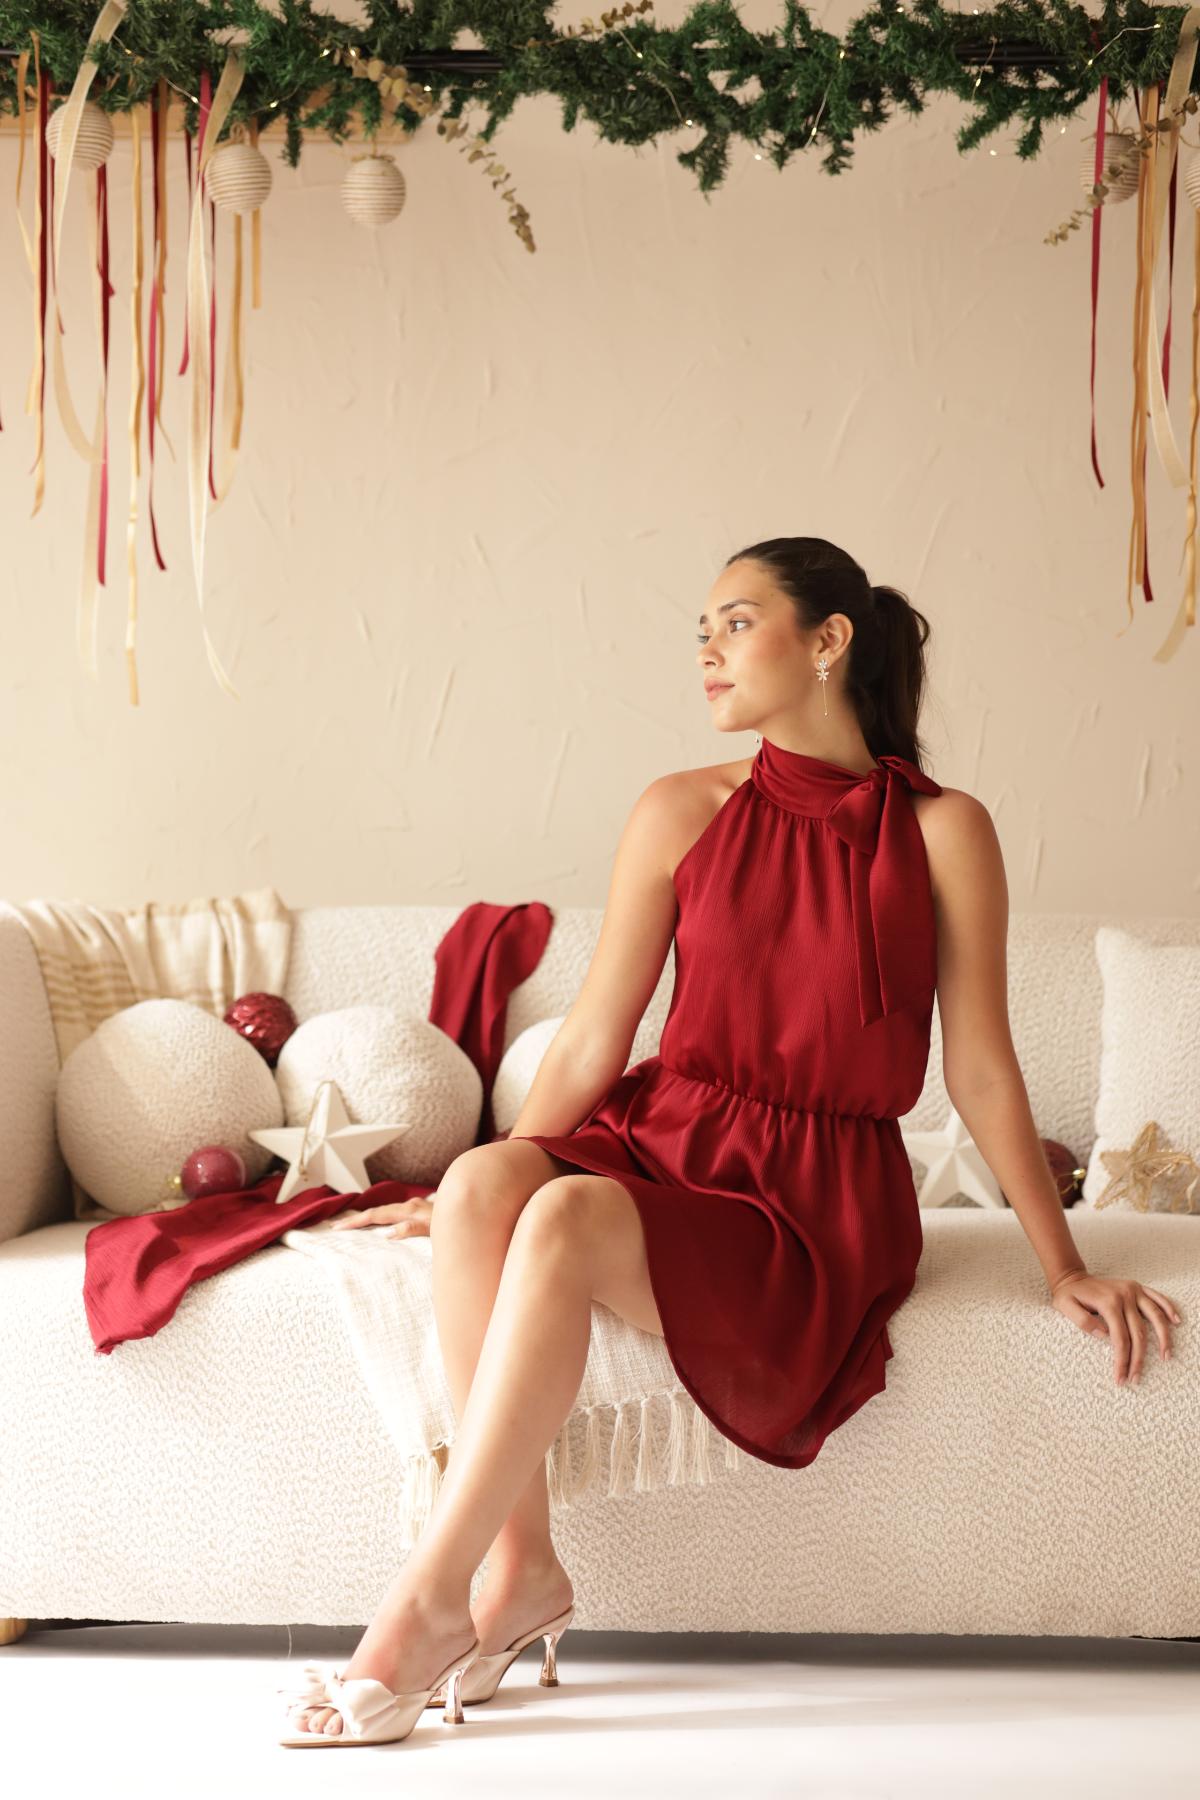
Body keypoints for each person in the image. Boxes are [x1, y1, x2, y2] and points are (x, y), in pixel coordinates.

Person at [281, 535, 1182, 1743]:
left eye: (737, 622)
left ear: (829, 641)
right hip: (672, 1135)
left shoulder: (943, 832)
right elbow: (595, 1036)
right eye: (700, 630)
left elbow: (978, 1065)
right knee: (493, 1182)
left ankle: (421, 1604)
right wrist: (481, 1184)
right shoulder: (678, 810)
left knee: (562, 1216)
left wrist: (1062, 1264)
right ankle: (518, 1571)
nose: (707, 650)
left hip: (816, 1199)